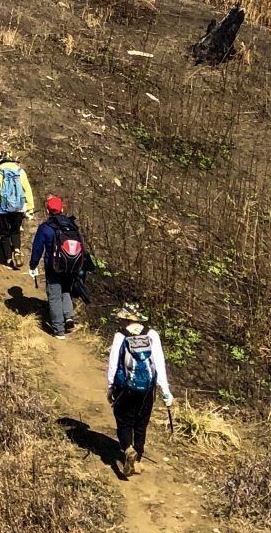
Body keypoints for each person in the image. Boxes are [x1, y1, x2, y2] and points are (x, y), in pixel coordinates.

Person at [106, 307, 174, 477]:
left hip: (125, 388)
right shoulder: (152, 334)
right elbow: (159, 363)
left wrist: (110, 387)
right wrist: (165, 390)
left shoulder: (120, 336)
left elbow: (113, 364)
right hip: (147, 390)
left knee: (123, 420)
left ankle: (128, 450)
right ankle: (138, 461)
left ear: (126, 320)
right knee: (141, 423)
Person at [28, 196, 95, 339]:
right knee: (66, 290)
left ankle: (59, 329)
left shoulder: (45, 228)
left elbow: (37, 249)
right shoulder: (72, 225)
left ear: (47, 211)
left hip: (53, 268)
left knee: (54, 296)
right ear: (62, 209)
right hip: (71, 266)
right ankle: (69, 316)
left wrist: (33, 265)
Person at [0, 148, 35, 267]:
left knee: (4, 233)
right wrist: (29, 207)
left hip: (2, 209)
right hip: (19, 208)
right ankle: (17, 250)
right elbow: (27, 189)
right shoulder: (20, 172)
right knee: (15, 230)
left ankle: (8, 258)